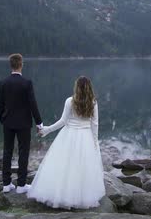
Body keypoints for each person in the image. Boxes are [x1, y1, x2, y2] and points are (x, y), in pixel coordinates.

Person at [28, 76, 105, 209]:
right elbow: (95, 124)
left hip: (69, 134)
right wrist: (94, 141)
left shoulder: (70, 101)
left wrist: (47, 130)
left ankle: (62, 194)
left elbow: (63, 121)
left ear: (77, 87)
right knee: (82, 167)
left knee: (65, 165)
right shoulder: (93, 103)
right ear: (89, 88)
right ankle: (81, 196)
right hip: (85, 135)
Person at [0, 53, 43, 194]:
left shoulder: (3, 83)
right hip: (24, 123)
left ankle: (6, 184)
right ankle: (21, 185)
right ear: (21, 64)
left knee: (7, 151)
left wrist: (2, 119)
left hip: (8, 122)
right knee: (23, 152)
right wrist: (39, 122)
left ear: (11, 65)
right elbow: (32, 104)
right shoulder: (26, 83)